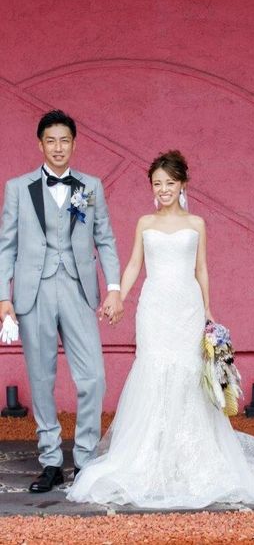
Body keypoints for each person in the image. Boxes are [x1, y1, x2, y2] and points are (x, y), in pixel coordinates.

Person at [67, 150, 254, 508]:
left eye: (169, 183)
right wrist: (118, 296)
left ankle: (191, 457)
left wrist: (208, 309)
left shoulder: (197, 224)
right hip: (154, 308)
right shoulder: (145, 223)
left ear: (182, 184)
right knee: (153, 370)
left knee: (189, 374)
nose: (163, 189)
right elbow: (134, 265)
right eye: (157, 183)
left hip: (187, 308)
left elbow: (202, 269)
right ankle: (151, 457)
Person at [0, 110, 123, 492]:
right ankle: (51, 461)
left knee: (94, 377)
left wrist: (114, 287)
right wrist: (3, 297)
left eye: (64, 140)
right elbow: (6, 245)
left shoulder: (89, 186)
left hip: (77, 288)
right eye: (51, 140)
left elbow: (105, 239)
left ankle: (85, 459)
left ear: (74, 144)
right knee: (41, 378)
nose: (58, 147)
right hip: (32, 292)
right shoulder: (18, 188)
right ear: (40, 144)